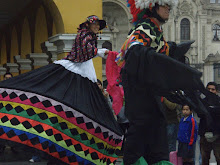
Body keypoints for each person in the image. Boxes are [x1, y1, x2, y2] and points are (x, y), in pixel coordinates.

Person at [0, 15, 123, 165]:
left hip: (83, 70)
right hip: (77, 70)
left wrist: (99, 52)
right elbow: (85, 49)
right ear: (88, 25)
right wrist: (99, 52)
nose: (97, 27)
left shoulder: (89, 37)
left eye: (98, 25)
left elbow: (87, 51)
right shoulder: (84, 35)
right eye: (95, 24)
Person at [115, 0, 206, 165]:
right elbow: (134, 50)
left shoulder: (156, 31)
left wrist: (175, 52)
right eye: (165, 5)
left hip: (150, 91)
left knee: (157, 129)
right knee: (142, 128)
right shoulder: (145, 27)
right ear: (152, 6)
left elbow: (162, 51)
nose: (169, 9)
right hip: (139, 90)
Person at [199, 82, 220, 165]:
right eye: (208, 89)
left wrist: (208, 110)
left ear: (217, 91)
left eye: (213, 89)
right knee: (204, 158)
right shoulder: (202, 102)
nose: (210, 91)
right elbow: (200, 113)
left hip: (217, 135)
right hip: (204, 134)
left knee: (218, 157)